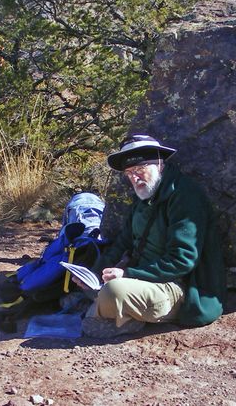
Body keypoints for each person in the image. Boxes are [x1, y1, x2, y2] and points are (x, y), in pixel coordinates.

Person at [73, 134, 226, 338]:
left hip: (177, 288)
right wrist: (93, 273)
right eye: (129, 173)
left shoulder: (185, 196)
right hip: (141, 280)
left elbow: (182, 261)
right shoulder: (143, 197)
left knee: (114, 291)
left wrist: (127, 274)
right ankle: (114, 312)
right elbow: (122, 243)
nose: (134, 178)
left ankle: (113, 315)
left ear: (159, 164)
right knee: (94, 284)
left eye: (139, 169)